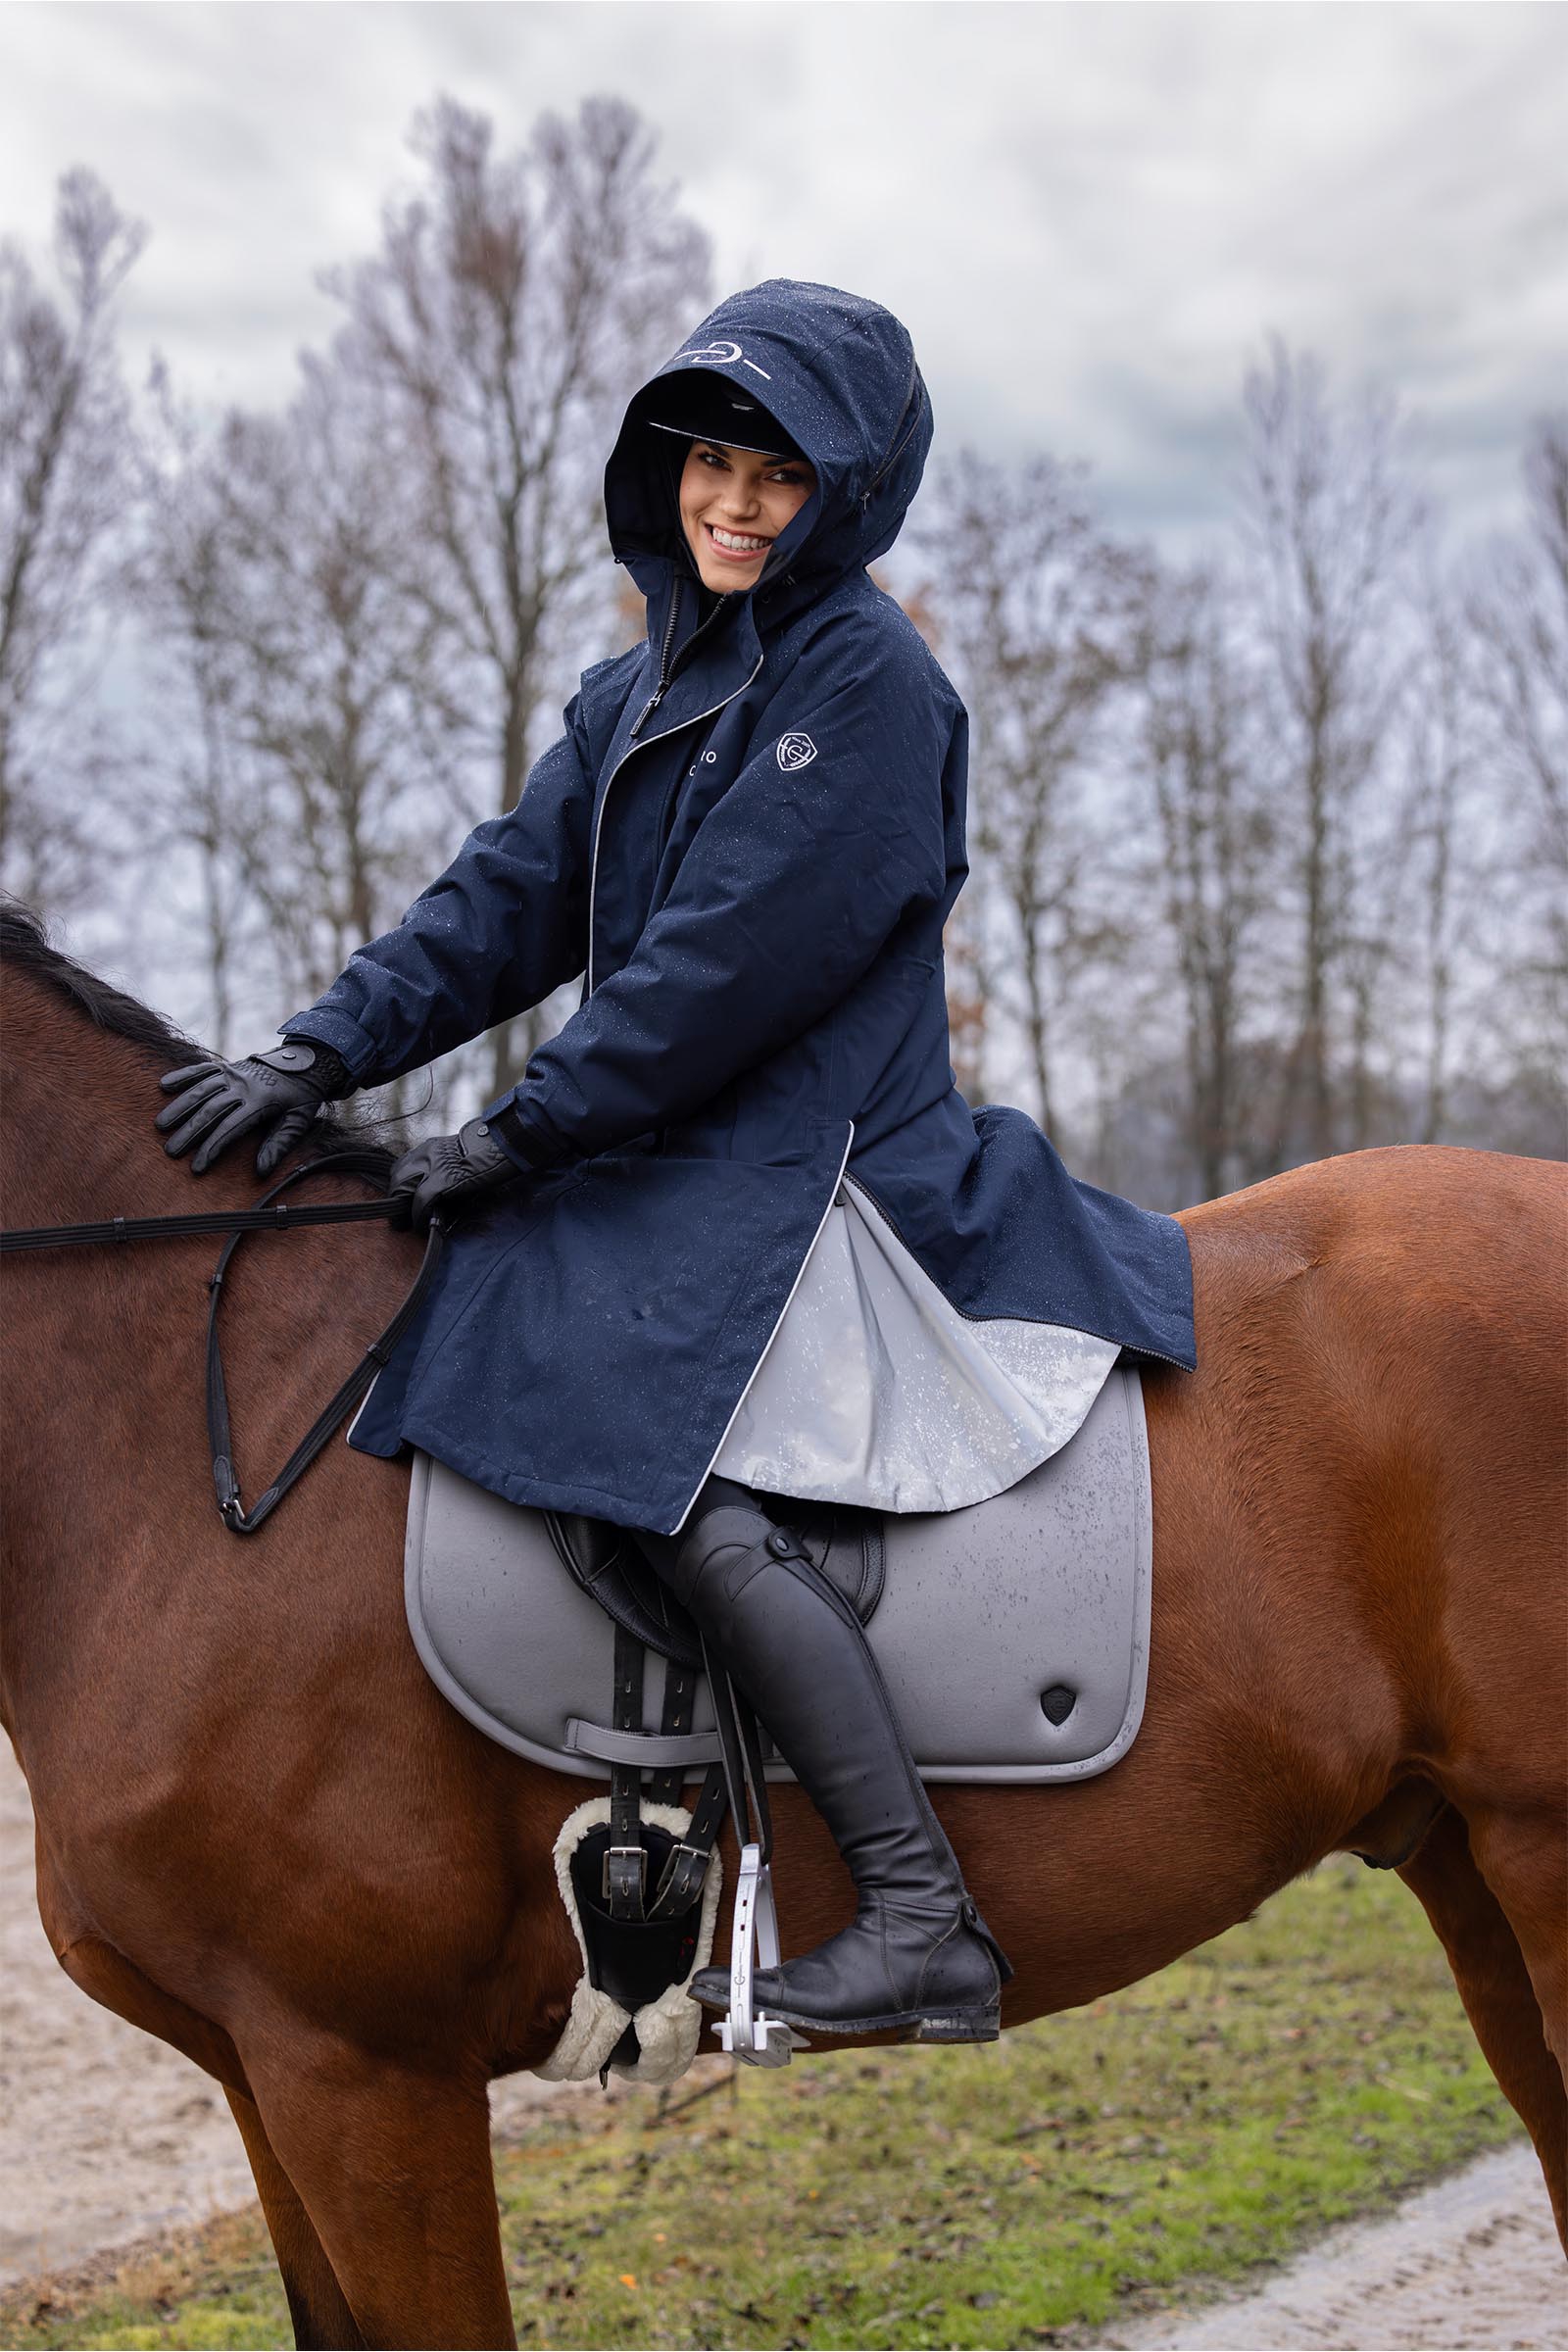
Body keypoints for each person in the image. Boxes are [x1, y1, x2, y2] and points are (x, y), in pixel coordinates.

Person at [157, 279, 1195, 2044]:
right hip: (672, 1150)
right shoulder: (640, 682)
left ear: (847, 497)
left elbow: (718, 974)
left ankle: (922, 1908)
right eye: (713, 459)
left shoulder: (870, 686)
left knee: (657, 1447)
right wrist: (316, 1049)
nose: (733, 502)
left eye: (779, 475)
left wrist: (511, 1133)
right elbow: (504, 900)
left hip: (823, 1163)